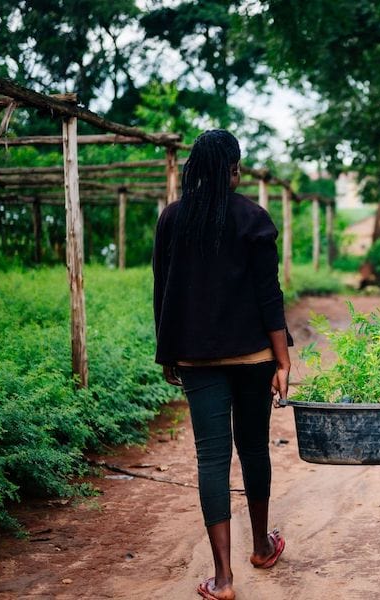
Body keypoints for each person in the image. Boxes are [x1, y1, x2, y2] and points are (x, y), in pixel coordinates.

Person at [153, 130, 293, 600]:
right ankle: (259, 547)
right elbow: (268, 296)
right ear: (232, 169)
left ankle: (224, 580)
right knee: (253, 449)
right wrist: (283, 360)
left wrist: (167, 351)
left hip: (195, 358)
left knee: (211, 459)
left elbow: (163, 291)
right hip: (254, 356)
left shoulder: (172, 219)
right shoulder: (253, 217)